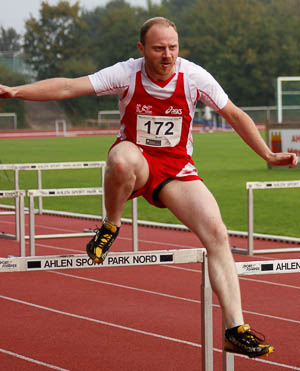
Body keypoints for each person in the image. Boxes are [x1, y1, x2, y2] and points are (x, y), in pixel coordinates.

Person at [1, 17, 298, 358]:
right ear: (142, 49)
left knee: (217, 234)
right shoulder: (127, 73)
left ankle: (235, 328)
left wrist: (268, 153)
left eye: (173, 47)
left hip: (176, 170)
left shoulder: (194, 77)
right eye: (159, 49)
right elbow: (69, 87)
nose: (167, 55)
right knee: (122, 158)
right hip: (137, 162)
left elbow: (233, 114)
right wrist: (15, 91)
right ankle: (111, 224)